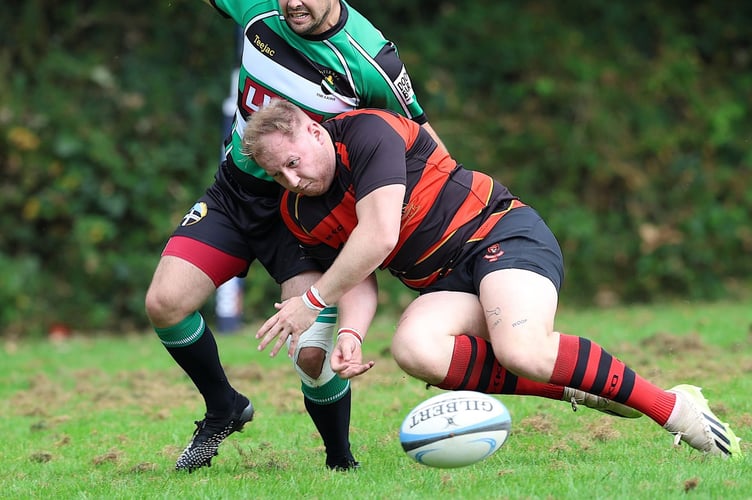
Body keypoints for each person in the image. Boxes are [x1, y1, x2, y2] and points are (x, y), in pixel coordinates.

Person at [245, 99, 742, 459]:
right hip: (447, 284)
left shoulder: (367, 133)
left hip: (499, 234)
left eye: (292, 164)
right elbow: (354, 274)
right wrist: (350, 334)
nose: (291, 180)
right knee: (414, 350)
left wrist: (310, 300)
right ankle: (574, 385)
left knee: (522, 351)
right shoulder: (300, 211)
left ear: (313, 131)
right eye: (276, 175)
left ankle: (676, 410)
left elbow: (377, 237)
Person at [145, 0, 447, 473]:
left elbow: (426, 146)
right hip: (234, 194)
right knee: (164, 303)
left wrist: (447, 225)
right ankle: (224, 407)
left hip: (302, 210)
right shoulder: (259, 10)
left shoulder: (370, 60)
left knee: (311, 354)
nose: (293, 3)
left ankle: (339, 461)